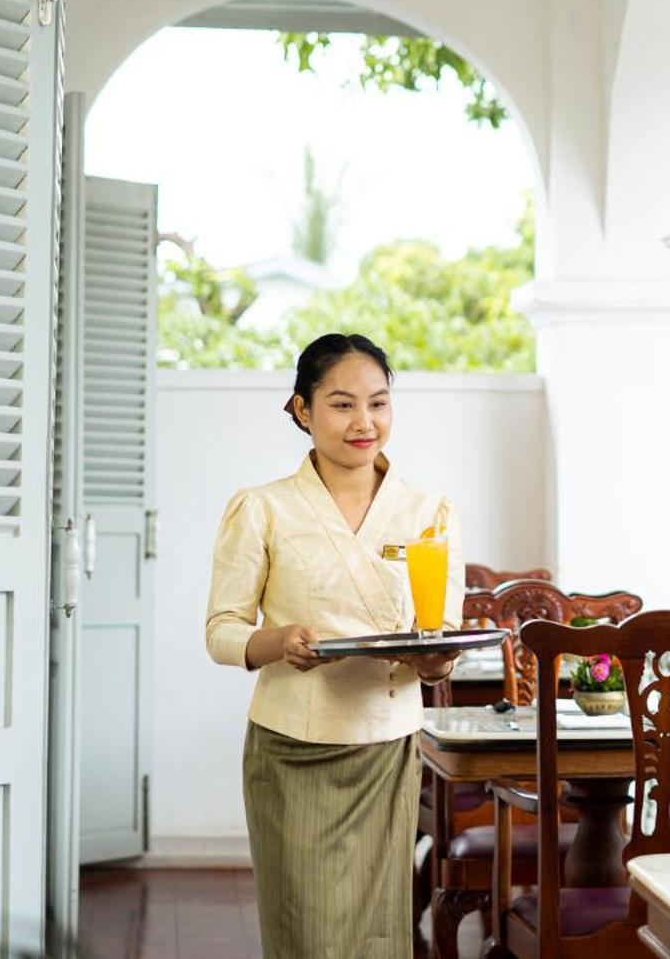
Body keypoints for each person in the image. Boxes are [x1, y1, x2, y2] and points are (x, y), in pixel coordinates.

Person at [205, 332, 467, 959]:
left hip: (387, 744)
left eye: (378, 404)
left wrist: (435, 659)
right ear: (302, 410)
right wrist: (278, 641)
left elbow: (443, 632)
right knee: (306, 931)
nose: (364, 422)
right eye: (343, 404)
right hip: (292, 748)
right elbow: (221, 631)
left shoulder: (428, 510)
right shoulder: (262, 508)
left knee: (381, 931)